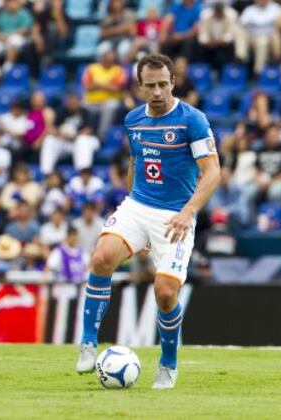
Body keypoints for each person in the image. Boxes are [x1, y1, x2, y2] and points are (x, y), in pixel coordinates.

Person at [76, 53, 221, 389]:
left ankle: (168, 364)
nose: (158, 92)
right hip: (138, 205)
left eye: (163, 85)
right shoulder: (133, 120)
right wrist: (131, 215)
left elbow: (212, 172)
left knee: (165, 293)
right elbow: (135, 163)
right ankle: (87, 342)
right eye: (150, 86)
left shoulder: (192, 120)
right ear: (139, 87)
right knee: (101, 258)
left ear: (173, 83)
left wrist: (188, 212)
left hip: (175, 215)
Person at [39, 93, 100, 175]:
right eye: (70, 101)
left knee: (82, 140)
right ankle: (45, 173)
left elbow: (89, 130)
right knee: (49, 140)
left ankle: (82, 173)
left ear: (79, 102)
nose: (72, 103)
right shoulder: (61, 112)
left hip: (88, 142)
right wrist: (60, 133)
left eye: (74, 101)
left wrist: (74, 136)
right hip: (66, 141)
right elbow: (52, 128)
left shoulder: (86, 112)